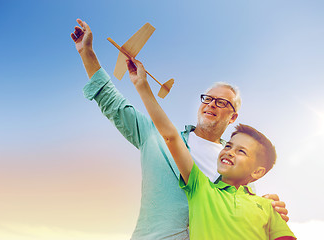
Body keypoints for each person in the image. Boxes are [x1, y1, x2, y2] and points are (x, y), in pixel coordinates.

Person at [70, 19, 289, 240]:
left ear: (233, 117)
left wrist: (271, 207)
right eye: (208, 98)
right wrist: (86, 52)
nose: (211, 104)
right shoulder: (154, 136)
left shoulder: (235, 163)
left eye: (222, 102)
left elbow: (246, 209)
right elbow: (112, 102)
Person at [126, 58, 296, 239]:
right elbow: (171, 136)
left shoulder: (265, 206)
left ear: (257, 172)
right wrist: (142, 86)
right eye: (229, 146)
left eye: (241, 151)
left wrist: (267, 205)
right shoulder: (201, 189)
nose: (230, 151)